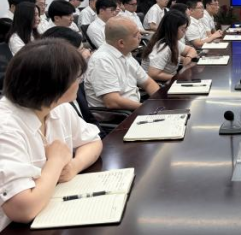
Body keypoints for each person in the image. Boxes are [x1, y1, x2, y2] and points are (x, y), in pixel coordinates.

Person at [0, 39, 102, 231]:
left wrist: (74, 165)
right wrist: (56, 161)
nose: (79, 83)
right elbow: (21, 209)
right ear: (54, 85)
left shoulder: (57, 106)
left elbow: (93, 142)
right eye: (77, 78)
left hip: (51, 211)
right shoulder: (5, 126)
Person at [85, 17, 160, 110]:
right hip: (120, 115)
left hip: (135, 108)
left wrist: (161, 102)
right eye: (135, 35)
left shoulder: (125, 53)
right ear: (121, 43)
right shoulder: (102, 60)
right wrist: (148, 108)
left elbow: (148, 83)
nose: (140, 37)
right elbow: (112, 102)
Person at [41, 27, 103, 137]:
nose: (87, 54)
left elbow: (89, 121)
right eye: (82, 50)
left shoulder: (73, 80)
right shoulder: (52, 101)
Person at [141, 11, 198, 82]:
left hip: (168, 80)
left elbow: (191, 50)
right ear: (173, 29)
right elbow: (153, 74)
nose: (185, 31)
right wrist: (179, 77)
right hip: (158, 83)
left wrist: (188, 57)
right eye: (182, 29)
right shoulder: (163, 47)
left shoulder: (173, 41)